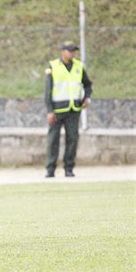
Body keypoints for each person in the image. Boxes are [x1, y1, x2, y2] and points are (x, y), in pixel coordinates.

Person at [45, 41, 93, 178]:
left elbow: (88, 84)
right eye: (69, 51)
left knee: (72, 139)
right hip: (57, 109)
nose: (72, 53)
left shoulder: (78, 66)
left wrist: (87, 98)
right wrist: (49, 110)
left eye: (74, 51)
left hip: (73, 109)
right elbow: (47, 91)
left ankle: (69, 168)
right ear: (63, 51)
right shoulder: (53, 66)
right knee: (53, 140)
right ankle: (50, 169)